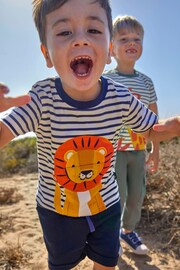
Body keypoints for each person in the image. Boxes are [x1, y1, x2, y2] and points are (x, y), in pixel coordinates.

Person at [0, 1, 159, 269]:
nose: (80, 40)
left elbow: (150, 128)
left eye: (94, 30)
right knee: (62, 264)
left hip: (107, 205)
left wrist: (165, 132)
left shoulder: (120, 96)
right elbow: (4, 133)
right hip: (56, 211)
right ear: (47, 55)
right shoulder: (41, 98)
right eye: (64, 32)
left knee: (107, 261)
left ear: (109, 50)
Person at [104, 15, 159, 255]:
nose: (131, 42)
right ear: (111, 47)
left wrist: (155, 150)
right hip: (113, 151)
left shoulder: (147, 82)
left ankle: (128, 232)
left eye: (137, 38)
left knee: (137, 195)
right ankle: (109, 236)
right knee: (118, 195)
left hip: (138, 150)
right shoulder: (104, 79)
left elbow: (154, 121)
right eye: (124, 38)